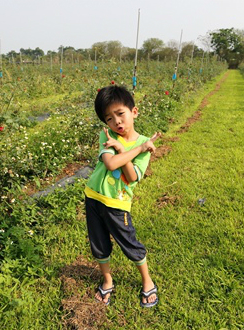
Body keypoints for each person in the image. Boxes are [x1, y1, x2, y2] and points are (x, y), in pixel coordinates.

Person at [84, 84, 161, 307]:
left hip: (117, 205)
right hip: (93, 198)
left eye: (120, 114)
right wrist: (135, 149)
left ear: (133, 112)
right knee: (98, 244)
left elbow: (132, 176)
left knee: (130, 243)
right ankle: (107, 280)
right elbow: (110, 163)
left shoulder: (141, 141)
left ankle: (147, 281)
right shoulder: (109, 136)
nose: (116, 122)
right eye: (109, 118)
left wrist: (123, 149)